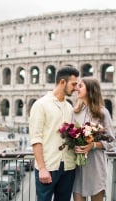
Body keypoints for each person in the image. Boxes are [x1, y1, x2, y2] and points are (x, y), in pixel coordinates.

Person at [29, 66, 80, 201]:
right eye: (73, 84)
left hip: (68, 166)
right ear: (62, 82)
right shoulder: (40, 105)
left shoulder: (69, 108)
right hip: (48, 167)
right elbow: (36, 139)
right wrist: (42, 168)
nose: (75, 88)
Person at [72, 77, 115, 201]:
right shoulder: (75, 112)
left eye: (80, 86)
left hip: (95, 166)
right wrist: (74, 144)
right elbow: (72, 135)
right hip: (78, 168)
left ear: (90, 90)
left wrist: (93, 145)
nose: (76, 89)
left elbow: (111, 141)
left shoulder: (103, 113)